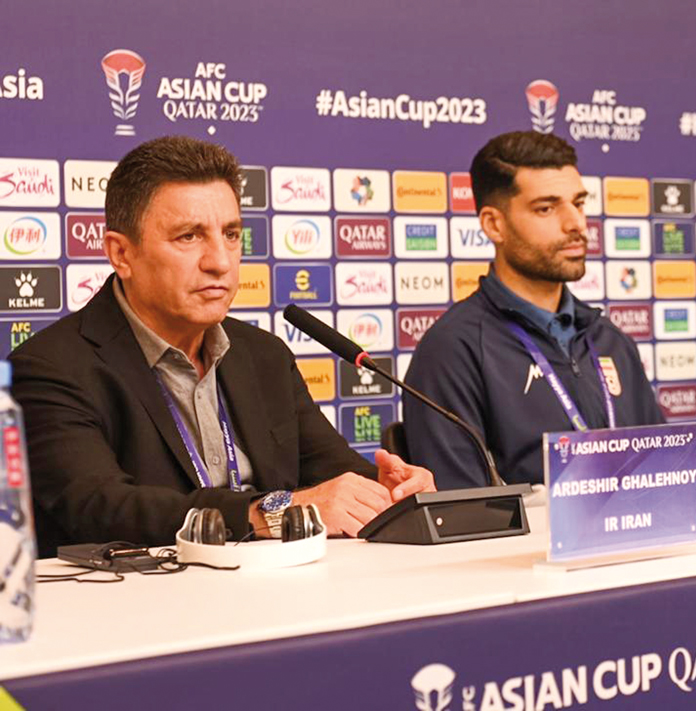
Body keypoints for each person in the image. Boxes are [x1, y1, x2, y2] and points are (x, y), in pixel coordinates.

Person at [11, 136, 434, 557]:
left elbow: (332, 470)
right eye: (189, 237)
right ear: (122, 254)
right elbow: (100, 508)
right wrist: (269, 512)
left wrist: (390, 492)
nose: (220, 260)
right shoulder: (51, 366)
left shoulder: (263, 354)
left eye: (231, 234)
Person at [403, 131, 663, 489]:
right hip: (521, 547)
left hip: (638, 540)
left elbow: (666, 477)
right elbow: (462, 511)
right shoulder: (452, 350)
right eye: (546, 208)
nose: (575, 224)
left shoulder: (609, 340)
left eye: (578, 202)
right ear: (494, 225)